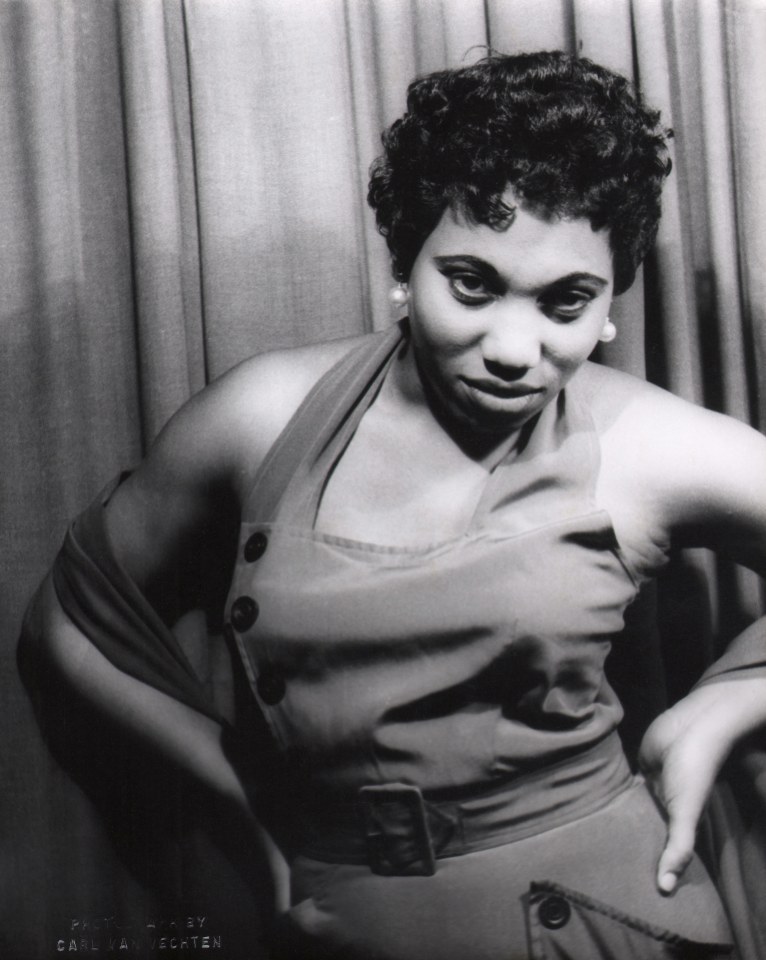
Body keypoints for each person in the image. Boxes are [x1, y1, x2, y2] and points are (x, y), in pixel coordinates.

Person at [21, 51, 766, 959]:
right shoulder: (261, 417)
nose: (511, 347)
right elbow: (72, 619)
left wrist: (721, 710)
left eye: (566, 301)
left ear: (612, 303)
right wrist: (240, 800)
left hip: (602, 917)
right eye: (473, 284)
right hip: (343, 924)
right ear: (406, 263)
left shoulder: (650, 444)